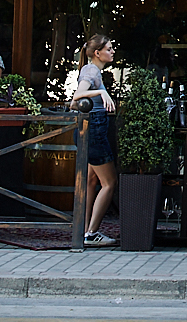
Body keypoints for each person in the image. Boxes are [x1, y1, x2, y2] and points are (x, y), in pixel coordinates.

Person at [67, 34, 120, 246]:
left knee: (91, 180)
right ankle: (92, 232)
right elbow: (77, 97)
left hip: (90, 129)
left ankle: (83, 230)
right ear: (97, 53)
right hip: (94, 129)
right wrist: (101, 93)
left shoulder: (91, 70)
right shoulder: (91, 71)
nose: (112, 52)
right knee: (110, 182)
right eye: (109, 49)